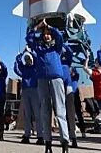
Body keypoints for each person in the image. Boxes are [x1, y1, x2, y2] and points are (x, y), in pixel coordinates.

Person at [26, 19, 69, 153]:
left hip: (56, 79)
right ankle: (48, 142)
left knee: (60, 111)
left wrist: (49, 26)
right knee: (45, 111)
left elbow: (60, 36)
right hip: (42, 80)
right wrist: (37, 27)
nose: (46, 35)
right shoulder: (38, 49)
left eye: (48, 33)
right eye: (44, 33)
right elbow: (29, 38)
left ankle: (64, 142)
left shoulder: (56, 48)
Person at [14, 49, 43, 145]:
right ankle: (27, 135)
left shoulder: (35, 67)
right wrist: (21, 54)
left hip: (35, 90)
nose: (27, 60)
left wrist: (30, 52)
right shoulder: (24, 68)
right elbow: (17, 67)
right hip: (25, 91)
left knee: (37, 114)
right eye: (26, 59)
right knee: (27, 114)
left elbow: (36, 58)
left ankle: (40, 136)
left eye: (28, 59)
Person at [61, 44, 78, 148]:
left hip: (68, 88)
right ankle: (64, 137)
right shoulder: (55, 59)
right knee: (60, 114)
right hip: (57, 88)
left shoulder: (67, 61)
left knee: (70, 114)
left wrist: (63, 44)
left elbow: (70, 53)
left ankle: (73, 137)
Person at [70, 67, 86, 138]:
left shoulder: (76, 76)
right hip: (68, 94)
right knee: (70, 114)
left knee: (79, 113)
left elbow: (76, 74)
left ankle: (83, 131)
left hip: (75, 94)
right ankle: (72, 130)